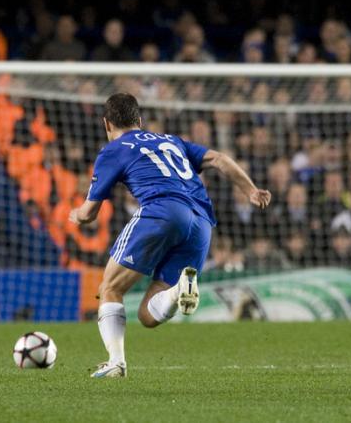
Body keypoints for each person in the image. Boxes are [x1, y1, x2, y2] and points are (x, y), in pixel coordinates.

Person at [69, 93, 271, 378]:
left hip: (162, 210)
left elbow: (89, 213)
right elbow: (219, 159)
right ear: (139, 121)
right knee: (148, 316)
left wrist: (75, 214)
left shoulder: (113, 150)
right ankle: (178, 290)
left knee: (110, 288)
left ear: (107, 124)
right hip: (201, 223)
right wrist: (250, 190)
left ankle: (116, 362)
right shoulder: (171, 140)